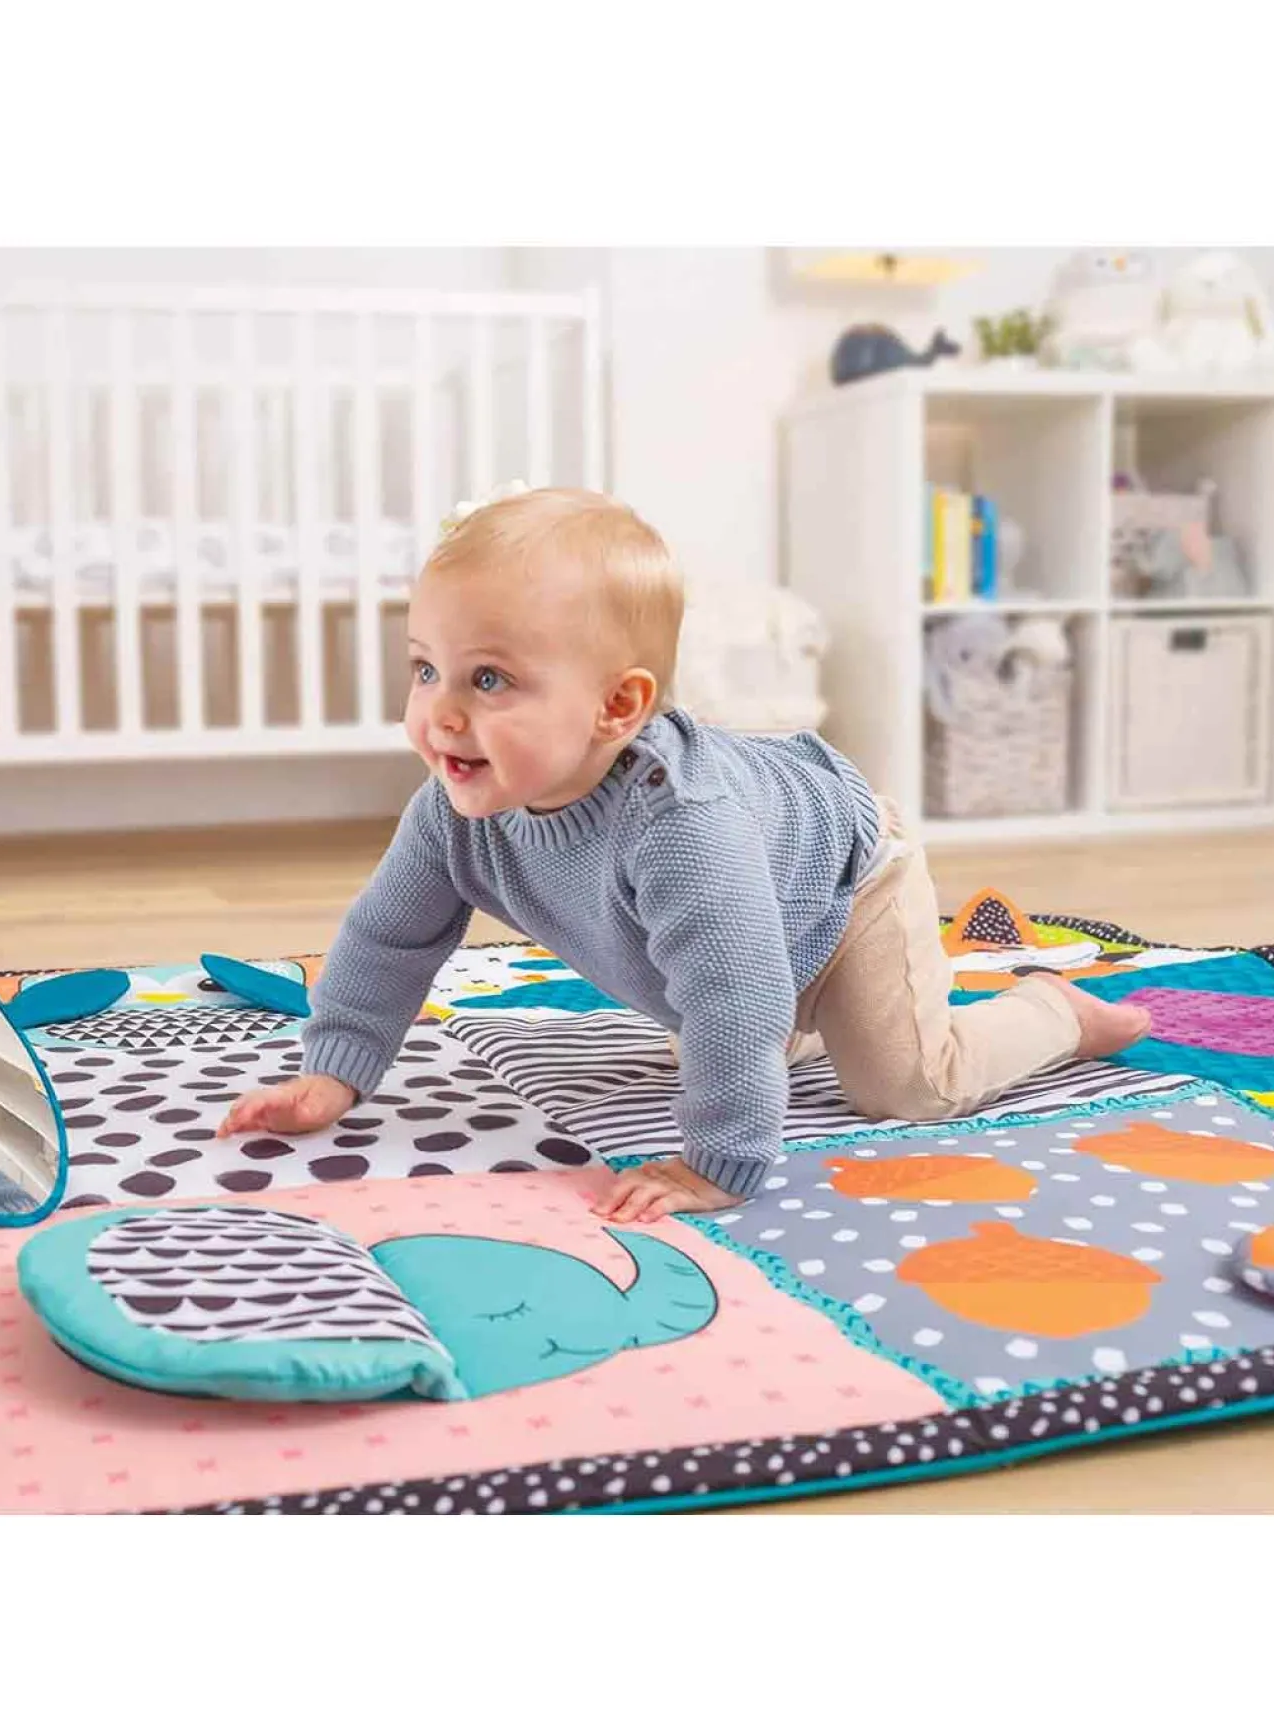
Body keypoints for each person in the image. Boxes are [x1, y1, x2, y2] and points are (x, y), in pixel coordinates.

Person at [217, 487, 1149, 1224]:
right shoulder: (454, 812)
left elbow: (735, 994)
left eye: (489, 679)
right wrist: (334, 1072)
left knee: (901, 1083)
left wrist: (719, 1161)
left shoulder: (681, 827)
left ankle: (1055, 1012)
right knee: (715, 1016)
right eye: (427, 669)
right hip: (755, 917)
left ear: (616, 708)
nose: (441, 713)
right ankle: (795, 1020)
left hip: (850, 878)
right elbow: (389, 938)